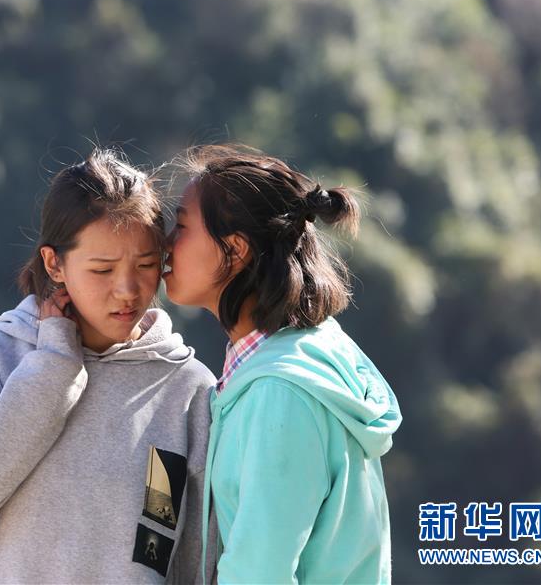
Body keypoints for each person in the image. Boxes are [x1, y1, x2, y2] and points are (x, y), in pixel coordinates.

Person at [0, 149, 216, 583]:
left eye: (146, 265)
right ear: (54, 264)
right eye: (102, 270)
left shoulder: (188, 391)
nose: (128, 290)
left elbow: (192, 560)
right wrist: (52, 367)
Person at [163, 144, 402, 584]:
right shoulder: (313, 352)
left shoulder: (279, 393)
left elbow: (259, 572)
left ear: (234, 251)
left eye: (180, 227)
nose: (166, 244)